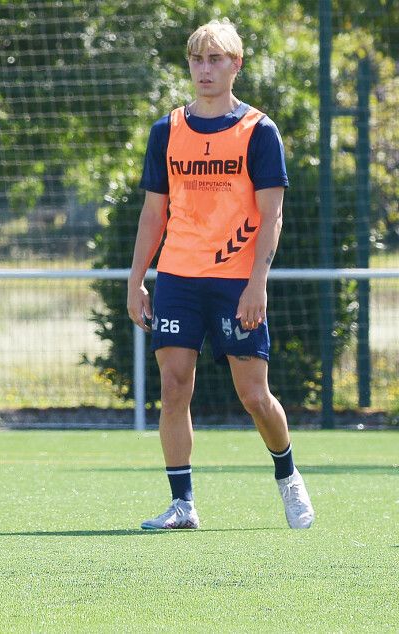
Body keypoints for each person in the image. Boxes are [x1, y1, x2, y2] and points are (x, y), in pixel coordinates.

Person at [126, 20, 314, 530]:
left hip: (236, 283)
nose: (205, 69)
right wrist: (137, 279)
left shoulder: (259, 130)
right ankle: (183, 504)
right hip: (178, 280)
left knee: (254, 396)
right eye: (197, 59)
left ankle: (288, 476)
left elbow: (271, 214)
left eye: (216, 59)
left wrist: (258, 284)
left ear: (237, 64)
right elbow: (153, 214)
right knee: (173, 386)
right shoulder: (167, 130)